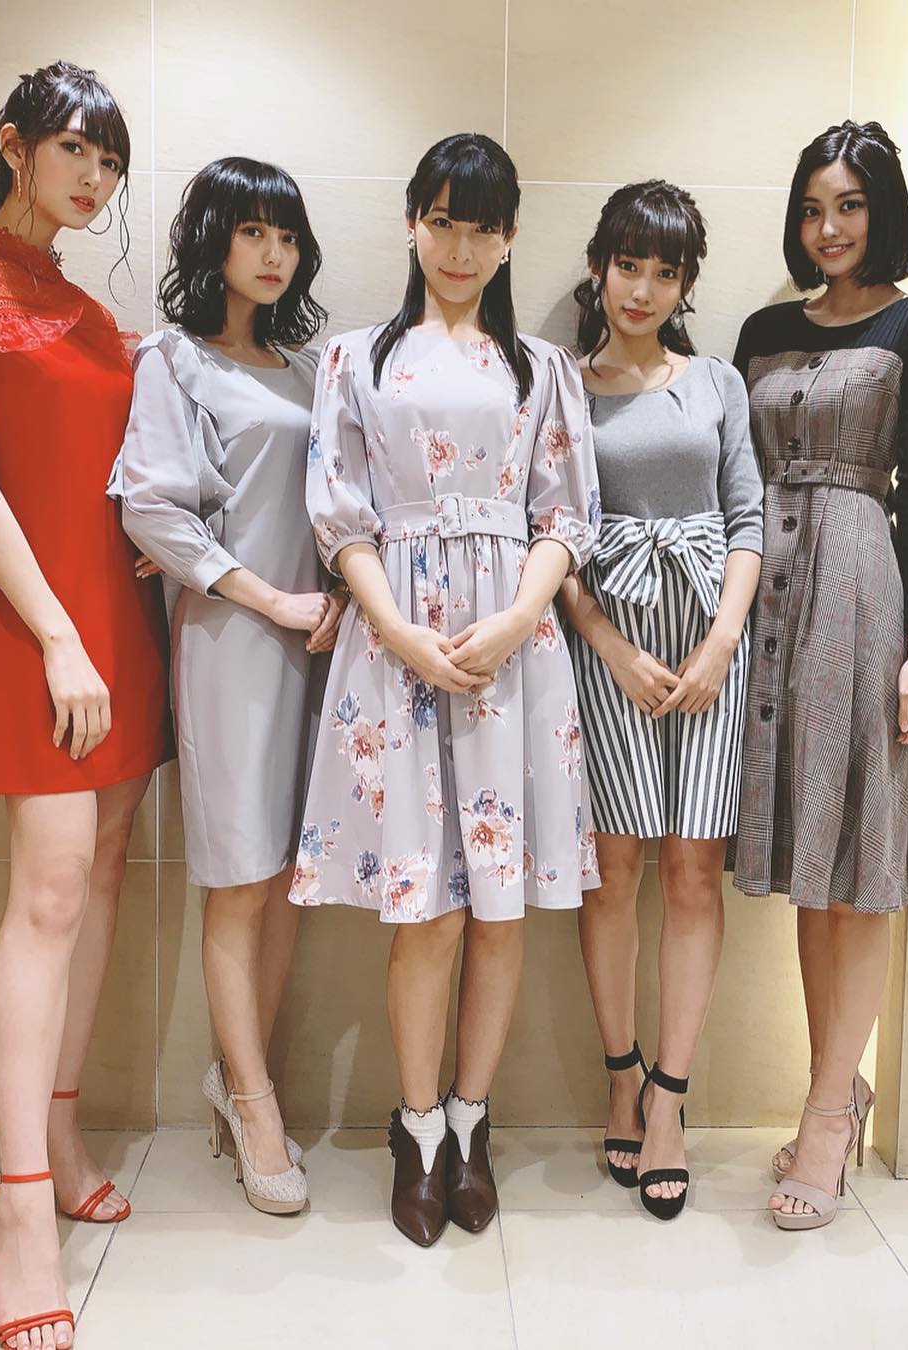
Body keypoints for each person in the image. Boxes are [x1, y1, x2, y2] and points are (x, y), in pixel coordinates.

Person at [290, 132, 601, 1246]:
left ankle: (474, 1122)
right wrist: (396, 631)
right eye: (442, 221)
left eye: (483, 227)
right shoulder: (354, 360)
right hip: (399, 654)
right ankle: (417, 1130)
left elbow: (566, 515)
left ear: (510, 237)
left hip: (516, 652)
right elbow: (340, 516)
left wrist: (516, 617)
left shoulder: (545, 368)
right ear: (412, 224)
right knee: (425, 911)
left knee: (501, 912)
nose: (461, 247)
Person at [0, 62, 172, 1349]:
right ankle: (20, 1206)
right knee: (49, 892)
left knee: (106, 868)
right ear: (14, 144)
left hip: (113, 614)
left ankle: (63, 1131)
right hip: (39, 630)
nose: (96, 177)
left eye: (111, 161)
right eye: (77, 149)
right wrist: (62, 637)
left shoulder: (86, 308)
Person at [731, 120, 908, 1231]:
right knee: (806, 858)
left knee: (855, 861)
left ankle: (828, 1112)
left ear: (884, 212)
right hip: (763, 588)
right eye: (813, 208)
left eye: (851, 206)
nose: (828, 229)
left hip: (860, 590)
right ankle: (835, 1086)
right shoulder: (765, 328)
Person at [109, 156, 344, 1216]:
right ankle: (252, 1103)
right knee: (239, 876)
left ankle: (244, 1077)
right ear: (213, 241)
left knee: (288, 871)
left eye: (286, 236)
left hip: (319, 639)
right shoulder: (175, 361)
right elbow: (152, 510)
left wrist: (328, 598)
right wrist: (272, 599)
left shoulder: (307, 368)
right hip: (234, 642)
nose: (273, 253)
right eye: (252, 231)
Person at [561, 181, 762, 1220]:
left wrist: (723, 641)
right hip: (609, 646)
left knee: (692, 871)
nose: (642, 289)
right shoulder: (563, 386)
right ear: (599, 267)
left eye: (665, 272)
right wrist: (610, 648)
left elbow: (747, 516)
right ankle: (620, 1073)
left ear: (685, 284)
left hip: (711, 646)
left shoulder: (716, 381)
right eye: (628, 264)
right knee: (614, 871)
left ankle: (671, 1100)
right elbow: (549, 534)